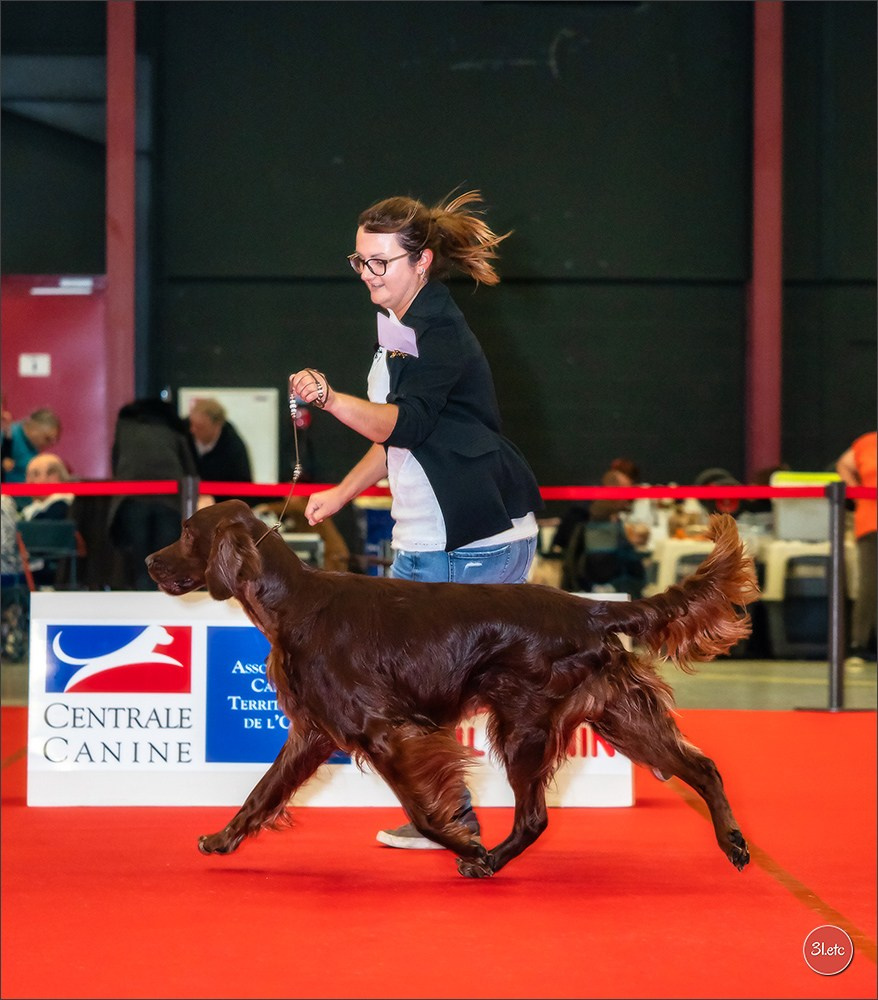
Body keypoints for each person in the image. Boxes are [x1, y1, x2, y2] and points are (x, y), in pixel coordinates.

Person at [290, 189, 543, 850]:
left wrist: (330, 399)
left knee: (469, 685)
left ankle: (630, 719)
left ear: (422, 261)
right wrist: (342, 494)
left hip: (481, 537)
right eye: (361, 261)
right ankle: (447, 816)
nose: (370, 275)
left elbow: (407, 422)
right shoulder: (397, 322)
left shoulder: (440, 330)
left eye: (382, 263)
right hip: (424, 537)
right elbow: (396, 441)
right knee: (413, 691)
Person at [108, 398, 201, 590]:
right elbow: (189, 470)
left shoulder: (125, 428)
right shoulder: (173, 428)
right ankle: (163, 604)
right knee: (166, 561)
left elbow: (117, 463)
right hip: (168, 501)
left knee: (141, 562)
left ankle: (142, 605)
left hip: (132, 499)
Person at [836, 431, 877, 668]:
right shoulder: (867, 442)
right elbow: (844, 463)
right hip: (871, 521)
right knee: (869, 585)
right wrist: (856, 492)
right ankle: (858, 644)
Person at [188, 397, 253, 483]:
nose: (192, 430)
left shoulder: (234, 449)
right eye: (192, 424)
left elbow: (243, 486)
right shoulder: (183, 436)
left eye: (200, 427)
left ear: (217, 426)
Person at [1, 407, 62, 484]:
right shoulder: (8, 436)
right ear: (34, 428)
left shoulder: (33, 445)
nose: (49, 445)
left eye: (53, 441)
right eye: (47, 438)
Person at [19, 453, 74, 522]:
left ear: (54, 477)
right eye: (27, 475)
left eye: (36, 474)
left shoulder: (62, 507)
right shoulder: (33, 508)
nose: (29, 481)